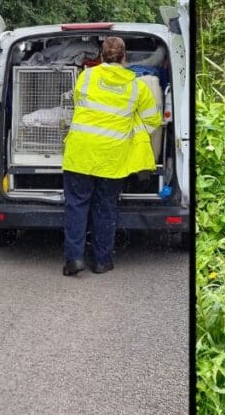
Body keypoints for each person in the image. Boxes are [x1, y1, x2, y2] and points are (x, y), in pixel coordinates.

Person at [61, 36, 161, 276]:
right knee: (105, 208)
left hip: (80, 153)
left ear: (101, 56)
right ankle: (101, 261)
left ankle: (74, 259)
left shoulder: (86, 77)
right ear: (125, 57)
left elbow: (80, 103)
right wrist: (131, 126)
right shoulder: (137, 87)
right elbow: (153, 120)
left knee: (76, 207)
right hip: (113, 157)